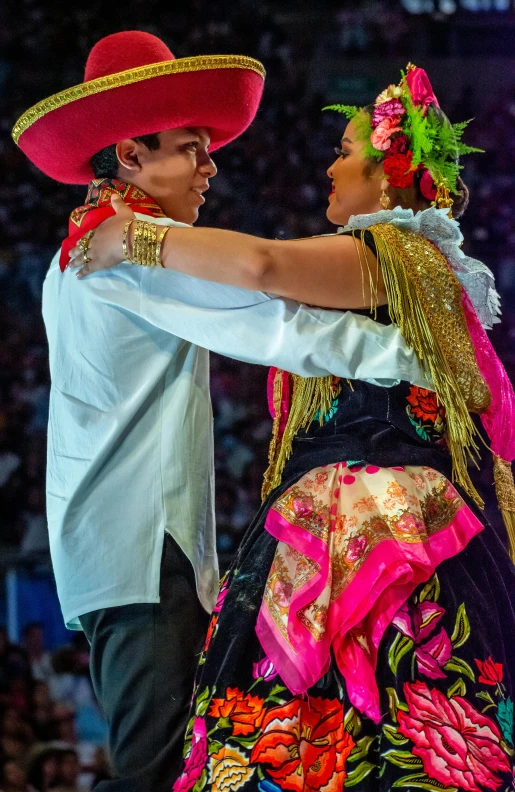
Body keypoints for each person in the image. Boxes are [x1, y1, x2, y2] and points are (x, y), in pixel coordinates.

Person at [73, 65, 515, 791]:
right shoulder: (407, 265)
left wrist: (134, 238)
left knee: (343, 732)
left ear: (390, 177)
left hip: (375, 519)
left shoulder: (390, 254)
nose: (330, 167)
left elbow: (259, 263)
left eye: (345, 151)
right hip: (380, 517)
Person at [11, 31, 429, 792]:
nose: (210, 166)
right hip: (141, 546)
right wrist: (420, 354)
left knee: (180, 762)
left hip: (128, 546)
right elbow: (274, 321)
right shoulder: (131, 248)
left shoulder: (92, 243)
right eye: (191, 148)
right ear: (130, 156)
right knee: (157, 772)